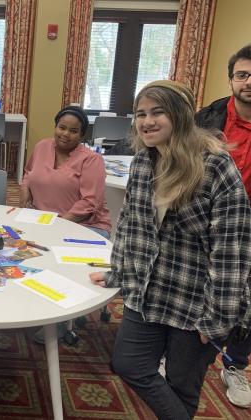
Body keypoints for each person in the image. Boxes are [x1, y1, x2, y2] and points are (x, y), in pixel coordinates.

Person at [90, 80, 251, 419]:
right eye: (140, 114)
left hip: (196, 304)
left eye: (157, 112)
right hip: (149, 291)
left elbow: (231, 253)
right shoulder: (144, 163)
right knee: (129, 363)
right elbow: (130, 226)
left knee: (181, 385)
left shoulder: (217, 168)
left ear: (179, 115)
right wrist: (116, 273)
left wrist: (217, 319)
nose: (147, 121)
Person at [196, 44, 251, 408]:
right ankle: (184, 352)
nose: (249, 82)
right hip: (212, 220)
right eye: (243, 74)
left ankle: (235, 364)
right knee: (201, 287)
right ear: (231, 78)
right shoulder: (208, 117)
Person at [20, 105, 111, 238]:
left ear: (81, 135)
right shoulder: (42, 146)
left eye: (73, 131)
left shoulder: (92, 160)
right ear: (55, 127)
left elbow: (89, 203)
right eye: (62, 128)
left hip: (85, 226)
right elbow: (28, 173)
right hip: (44, 220)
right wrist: (25, 190)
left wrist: (57, 226)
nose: (65, 134)